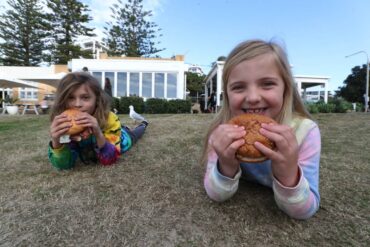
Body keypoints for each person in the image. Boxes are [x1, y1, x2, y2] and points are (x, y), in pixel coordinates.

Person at [201, 39, 321, 220]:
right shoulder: (222, 133)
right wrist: (226, 164)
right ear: (227, 94)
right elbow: (215, 194)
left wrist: (288, 173)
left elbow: (305, 210)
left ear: (286, 89)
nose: (253, 97)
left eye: (267, 84)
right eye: (239, 87)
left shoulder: (305, 133)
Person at [48, 72, 148, 170]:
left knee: (134, 134)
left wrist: (98, 134)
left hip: (122, 138)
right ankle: (124, 127)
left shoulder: (109, 119)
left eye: (85, 97)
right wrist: (56, 141)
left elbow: (109, 159)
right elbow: (64, 165)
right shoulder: (63, 124)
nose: (77, 104)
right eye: (70, 97)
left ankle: (143, 125)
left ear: (97, 99)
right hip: (100, 137)